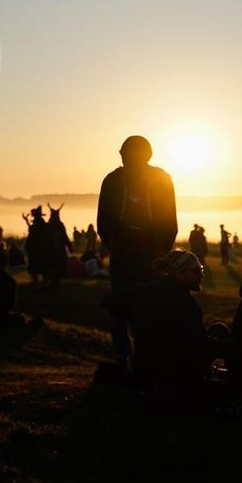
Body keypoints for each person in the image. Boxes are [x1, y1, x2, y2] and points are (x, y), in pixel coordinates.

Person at [97, 135, 178, 363]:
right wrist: (116, 245)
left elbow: (169, 218)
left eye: (126, 152)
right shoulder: (113, 180)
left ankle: (141, 355)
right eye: (122, 152)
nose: (122, 156)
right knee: (123, 306)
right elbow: (103, 220)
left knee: (143, 305)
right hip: (127, 252)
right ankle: (127, 355)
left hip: (147, 252)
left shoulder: (159, 179)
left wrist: (159, 251)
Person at [102, 250, 218, 396]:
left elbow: (108, 300)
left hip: (143, 366)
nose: (202, 275)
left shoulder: (144, 290)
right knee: (218, 330)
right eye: (197, 270)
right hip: (175, 373)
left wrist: (134, 316)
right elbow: (198, 343)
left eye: (201, 269)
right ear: (179, 273)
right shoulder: (187, 304)